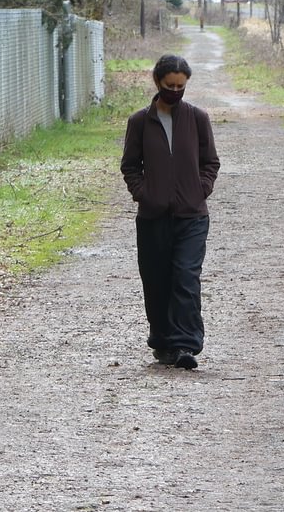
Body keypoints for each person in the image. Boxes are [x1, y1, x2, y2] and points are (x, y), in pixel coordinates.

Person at [120, 54, 220, 370]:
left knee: (185, 277)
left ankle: (185, 345)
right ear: (158, 82)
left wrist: (199, 189)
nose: (175, 91)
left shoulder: (198, 118)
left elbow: (210, 163)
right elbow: (130, 166)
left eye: (181, 86)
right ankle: (162, 341)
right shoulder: (139, 122)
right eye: (170, 86)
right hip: (153, 217)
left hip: (192, 215)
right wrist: (144, 194)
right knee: (157, 280)